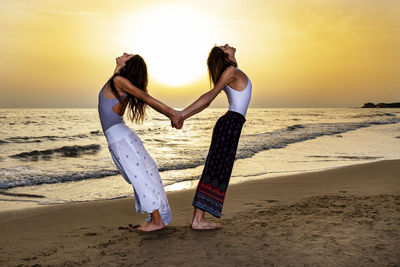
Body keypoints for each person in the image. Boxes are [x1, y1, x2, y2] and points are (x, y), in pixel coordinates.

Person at [98, 53, 182, 232]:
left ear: (128, 65)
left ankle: (157, 219)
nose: (124, 53)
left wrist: (173, 114)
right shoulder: (117, 79)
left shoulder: (119, 81)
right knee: (142, 174)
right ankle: (155, 217)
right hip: (120, 137)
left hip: (120, 139)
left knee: (139, 176)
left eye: (128, 55)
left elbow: (146, 98)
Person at [179, 44, 252, 229]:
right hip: (230, 125)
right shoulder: (230, 71)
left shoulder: (232, 70)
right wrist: (182, 115)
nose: (226, 44)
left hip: (232, 125)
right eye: (223, 47)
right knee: (216, 170)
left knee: (217, 169)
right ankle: (198, 220)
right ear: (224, 56)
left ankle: (197, 218)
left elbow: (233, 66)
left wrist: (230, 58)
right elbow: (210, 96)